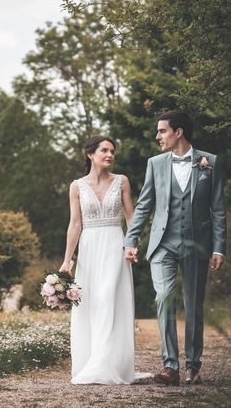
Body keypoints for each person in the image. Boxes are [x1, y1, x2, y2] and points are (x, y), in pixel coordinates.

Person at [123, 110, 227, 386]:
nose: (158, 136)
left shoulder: (210, 162)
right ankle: (170, 366)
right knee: (164, 297)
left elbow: (218, 209)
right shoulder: (155, 164)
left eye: (162, 131)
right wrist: (130, 240)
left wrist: (219, 248)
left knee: (193, 304)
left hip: (197, 244)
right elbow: (144, 205)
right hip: (162, 244)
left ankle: (193, 364)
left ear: (178, 132)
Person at [61, 135, 152, 384]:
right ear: (91, 154)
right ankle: (91, 361)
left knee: (108, 297)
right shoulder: (76, 186)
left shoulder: (121, 181)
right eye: (104, 150)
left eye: (112, 150)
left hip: (114, 244)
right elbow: (75, 224)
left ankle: (108, 364)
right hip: (89, 248)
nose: (110, 154)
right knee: (91, 300)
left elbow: (131, 217)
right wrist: (67, 260)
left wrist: (132, 244)